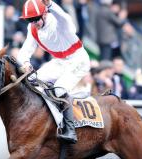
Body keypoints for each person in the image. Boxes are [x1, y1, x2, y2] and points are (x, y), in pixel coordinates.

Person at [17, 0, 90, 144]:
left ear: (44, 14)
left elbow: (64, 17)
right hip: (59, 61)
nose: (34, 23)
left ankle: (70, 130)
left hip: (78, 60)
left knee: (59, 89)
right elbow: (25, 50)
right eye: (30, 20)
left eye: (36, 18)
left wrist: (50, 5)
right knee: (32, 80)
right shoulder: (32, 28)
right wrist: (25, 63)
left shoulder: (58, 22)